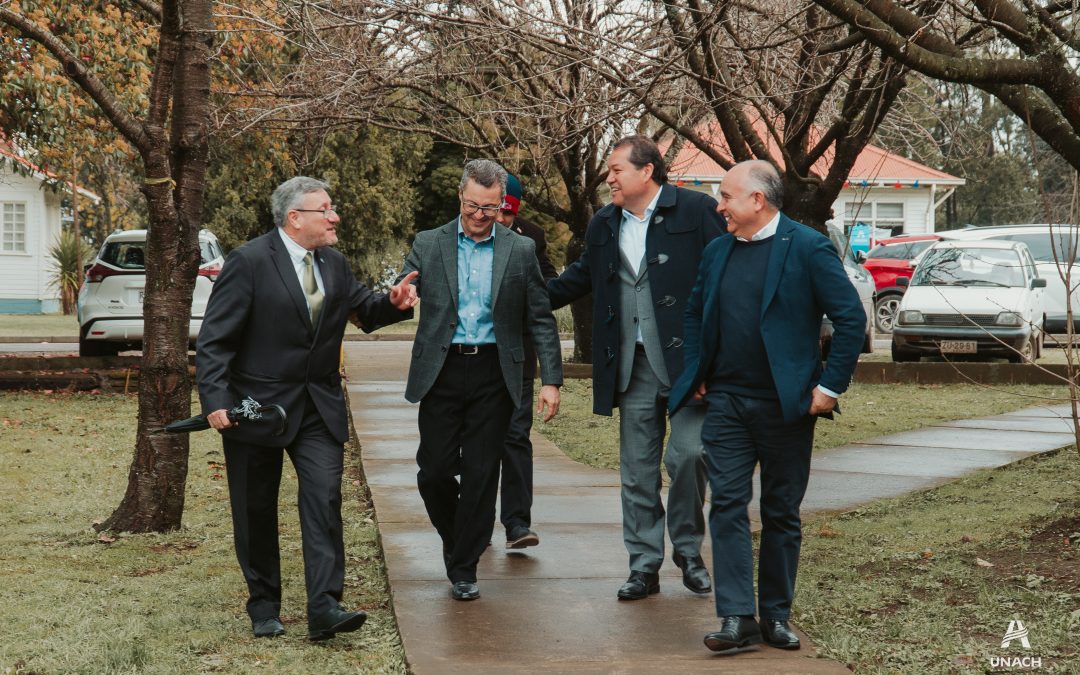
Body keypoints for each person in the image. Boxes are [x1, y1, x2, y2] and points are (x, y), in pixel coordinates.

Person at [196, 176, 418, 641]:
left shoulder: (334, 265)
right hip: (257, 408)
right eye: (326, 209)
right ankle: (264, 606)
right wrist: (216, 400)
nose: (335, 216)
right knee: (255, 507)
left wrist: (394, 304)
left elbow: (365, 310)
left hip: (319, 406)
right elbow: (216, 341)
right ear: (295, 218)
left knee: (324, 499)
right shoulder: (250, 261)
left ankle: (324, 608)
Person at [669, 160, 865, 653]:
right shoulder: (717, 252)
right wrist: (696, 373)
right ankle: (736, 617)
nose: (720, 206)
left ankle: (776, 615)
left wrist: (830, 387)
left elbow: (849, 317)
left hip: (788, 405)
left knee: (781, 512)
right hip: (728, 403)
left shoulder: (807, 246)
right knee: (728, 505)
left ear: (758, 200)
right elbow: (695, 313)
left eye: (727, 197)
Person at [547, 135, 724, 600]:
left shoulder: (697, 211)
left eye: (616, 170)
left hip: (689, 365)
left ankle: (687, 550)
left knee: (689, 455)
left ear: (647, 172)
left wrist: (714, 359)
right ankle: (644, 565)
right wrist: (525, 297)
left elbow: (724, 278)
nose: (609, 179)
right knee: (637, 470)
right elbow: (581, 276)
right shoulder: (604, 222)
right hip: (631, 364)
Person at [399, 159, 563, 601]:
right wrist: (400, 293)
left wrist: (551, 379)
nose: (479, 216)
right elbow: (405, 282)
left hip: (495, 370)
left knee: (480, 473)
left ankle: (465, 568)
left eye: (490, 209)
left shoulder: (519, 250)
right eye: (473, 205)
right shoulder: (429, 243)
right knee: (433, 472)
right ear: (460, 196)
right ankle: (460, 542)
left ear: (501, 206)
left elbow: (540, 318)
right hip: (442, 369)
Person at [494, 173, 557, 549]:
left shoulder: (531, 236)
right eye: (495, 210)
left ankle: (518, 524)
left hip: (519, 352)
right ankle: (473, 517)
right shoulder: (460, 233)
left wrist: (536, 297)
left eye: (507, 213)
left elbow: (548, 279)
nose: (500, 221)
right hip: (475, 353)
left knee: (516, 436)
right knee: (477, 440)